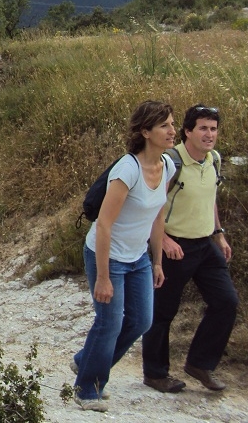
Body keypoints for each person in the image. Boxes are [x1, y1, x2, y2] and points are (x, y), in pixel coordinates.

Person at [72, 100, 176, 412]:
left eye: (172, 124)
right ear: (146, 132)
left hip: (138, 258)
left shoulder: (168, 165)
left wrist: (157, 260)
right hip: (107, 256)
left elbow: (158, 217)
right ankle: (87, 389)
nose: (172, 131)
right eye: (164, 126)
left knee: (142, 320)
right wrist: (103, 277)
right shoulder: (127, 170)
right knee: (109, 323)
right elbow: (103, 224)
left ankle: (86, 362)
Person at [142, 105, 238, 393]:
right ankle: (155, 374)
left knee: (226, 301)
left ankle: (200, 364)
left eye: (213, 128)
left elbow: (210, 198)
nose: (210, 134)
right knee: (162, 312)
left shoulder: (214, 160)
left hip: (204, 244)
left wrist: (219, 234)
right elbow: (150, 205)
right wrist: (164, 240)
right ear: (188, 131)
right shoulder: (171, 162)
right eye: (203, 128)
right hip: (174, 246)